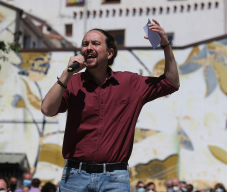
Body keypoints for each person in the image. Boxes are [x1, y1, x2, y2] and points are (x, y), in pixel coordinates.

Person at [41, 20, 180, 192]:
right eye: (85, 44)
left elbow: (171, 83)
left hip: (114, 178)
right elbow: (47, 109)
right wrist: (67, 73)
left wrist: (165, 45)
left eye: (95, 43)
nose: (88, 47)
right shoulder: (73, 82)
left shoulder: (130, 83)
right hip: (75, 177)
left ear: (109, 53)